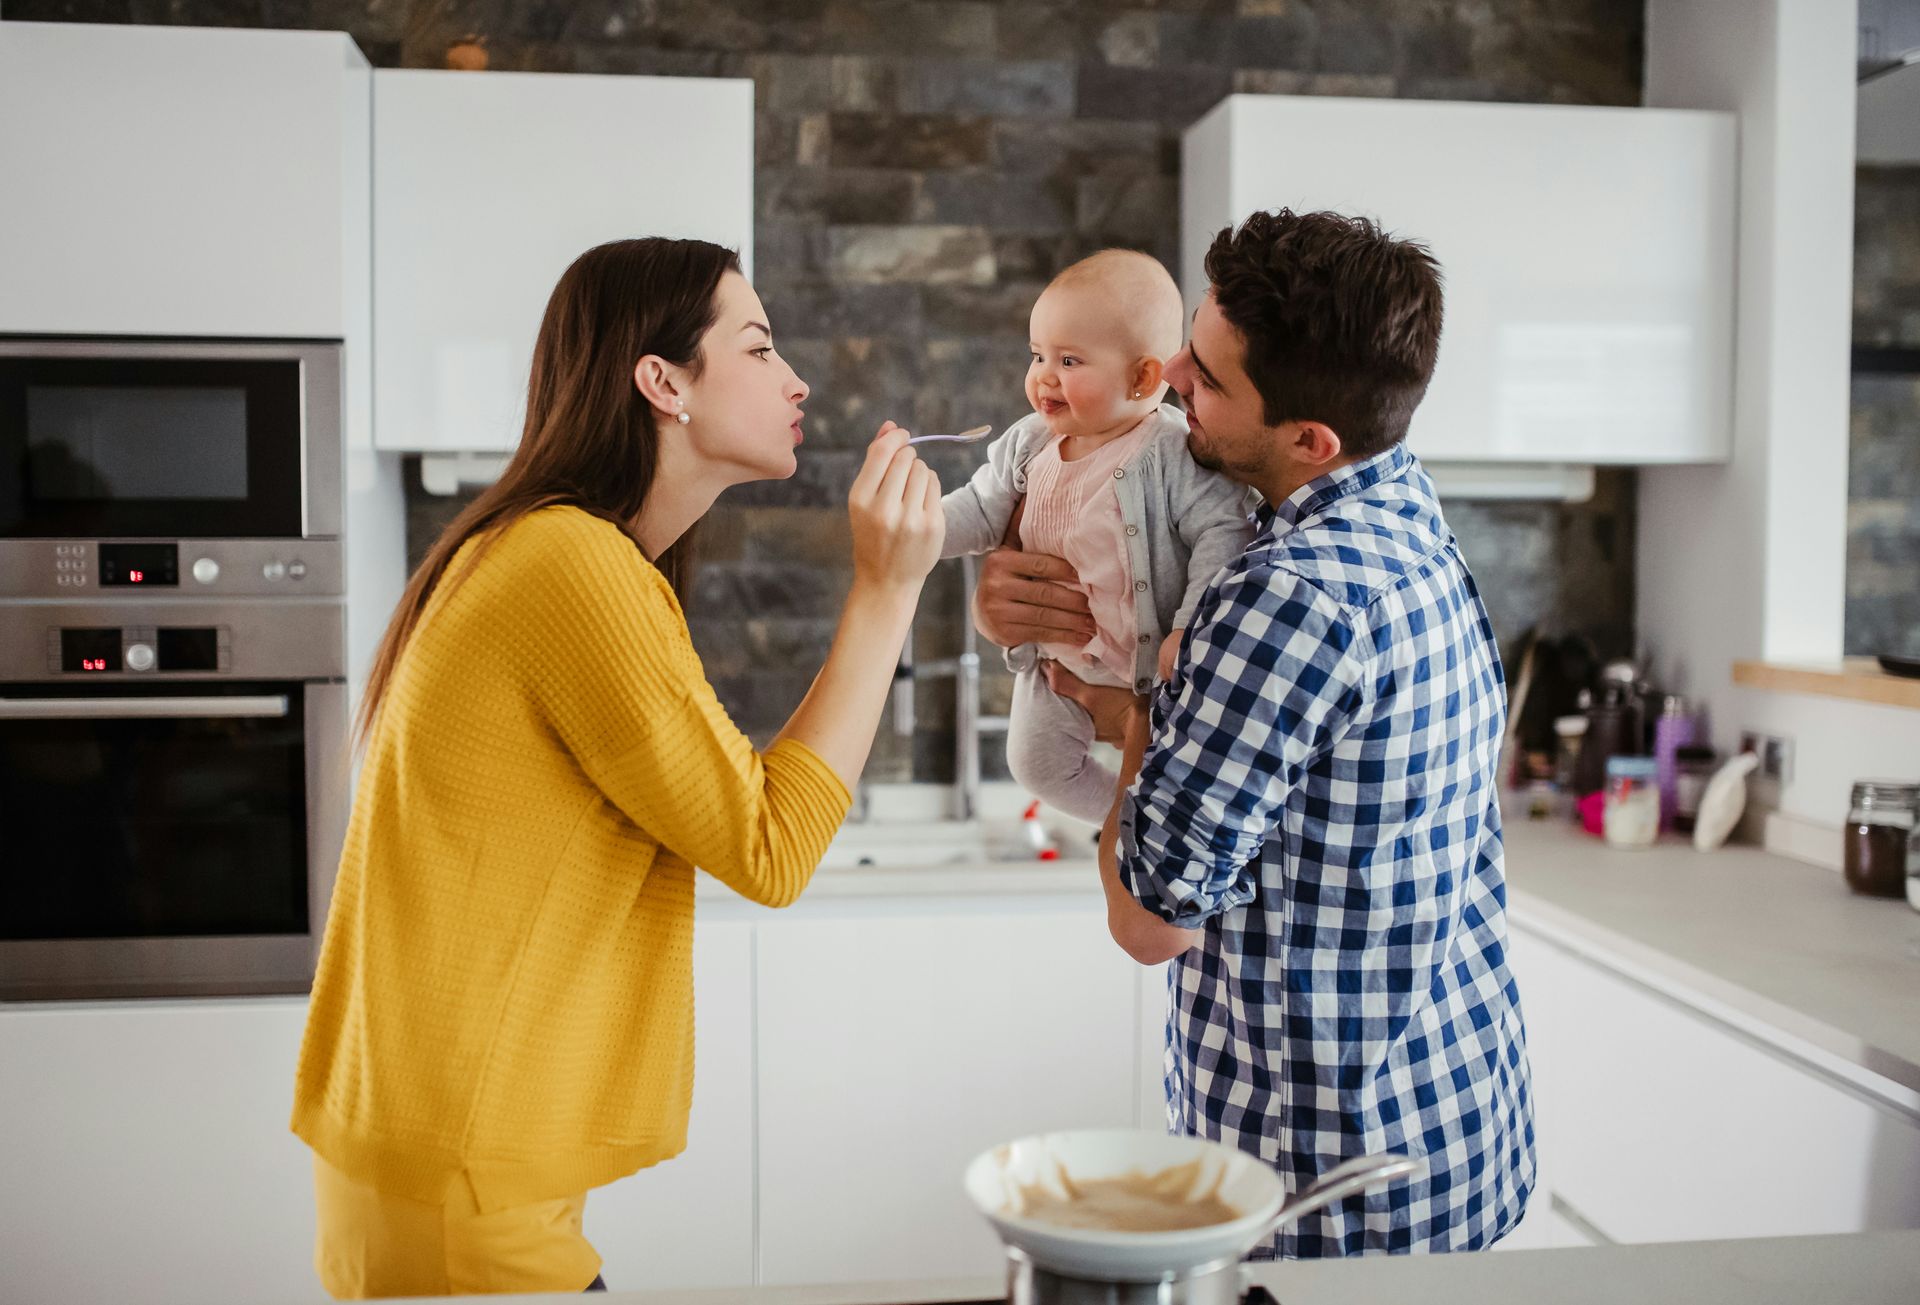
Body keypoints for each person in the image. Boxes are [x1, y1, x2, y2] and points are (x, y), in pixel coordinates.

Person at [290, 237, 944, 1298]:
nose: (797, 378)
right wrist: (886, 589)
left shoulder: (557, 553)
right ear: (663, 383)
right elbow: (770, 849)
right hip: (463, 1184)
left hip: (442, 1158)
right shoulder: (571, 568)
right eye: (759, 345)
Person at [977, 210, 1536, 1256]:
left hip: (1324, 1189)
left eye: (1213, 376)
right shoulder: (1396, 507)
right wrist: (1041, 617)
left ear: (1308, 439)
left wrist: (1130, 708)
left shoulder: (1285, 596)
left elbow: (1152, 923)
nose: (1174, 372)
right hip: (1452, 1125)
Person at [938, 249, 1253, 824]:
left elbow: (1224, 530)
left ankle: (1155, 820)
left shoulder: (1170, 450)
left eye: (1070, 360)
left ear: (1142, 377)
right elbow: (981, 510)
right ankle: (1131, 819)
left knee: (1172, 769)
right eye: (1037, 355)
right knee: (1036, 766)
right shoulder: (1029, 442)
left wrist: (1188, 628)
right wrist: (916, 530)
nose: (1043, 377)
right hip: (1055, 665)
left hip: (1148, 672)